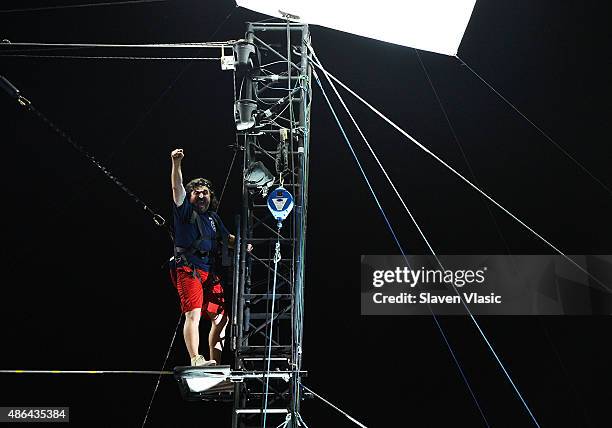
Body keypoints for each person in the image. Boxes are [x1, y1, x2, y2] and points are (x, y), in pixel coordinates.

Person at [170, 148, 249, 366]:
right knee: (193, 314)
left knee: (221, 318)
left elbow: (228, 239)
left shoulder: (213, 218)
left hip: (208, 273)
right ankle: (196, 358)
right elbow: (177, 188)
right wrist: (176, 164)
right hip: (189, 269)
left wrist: (244, 245)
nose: (202, 195)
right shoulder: (184, 211)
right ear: (191, 196)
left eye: (205, 192)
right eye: (197, 192)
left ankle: (216, 363)